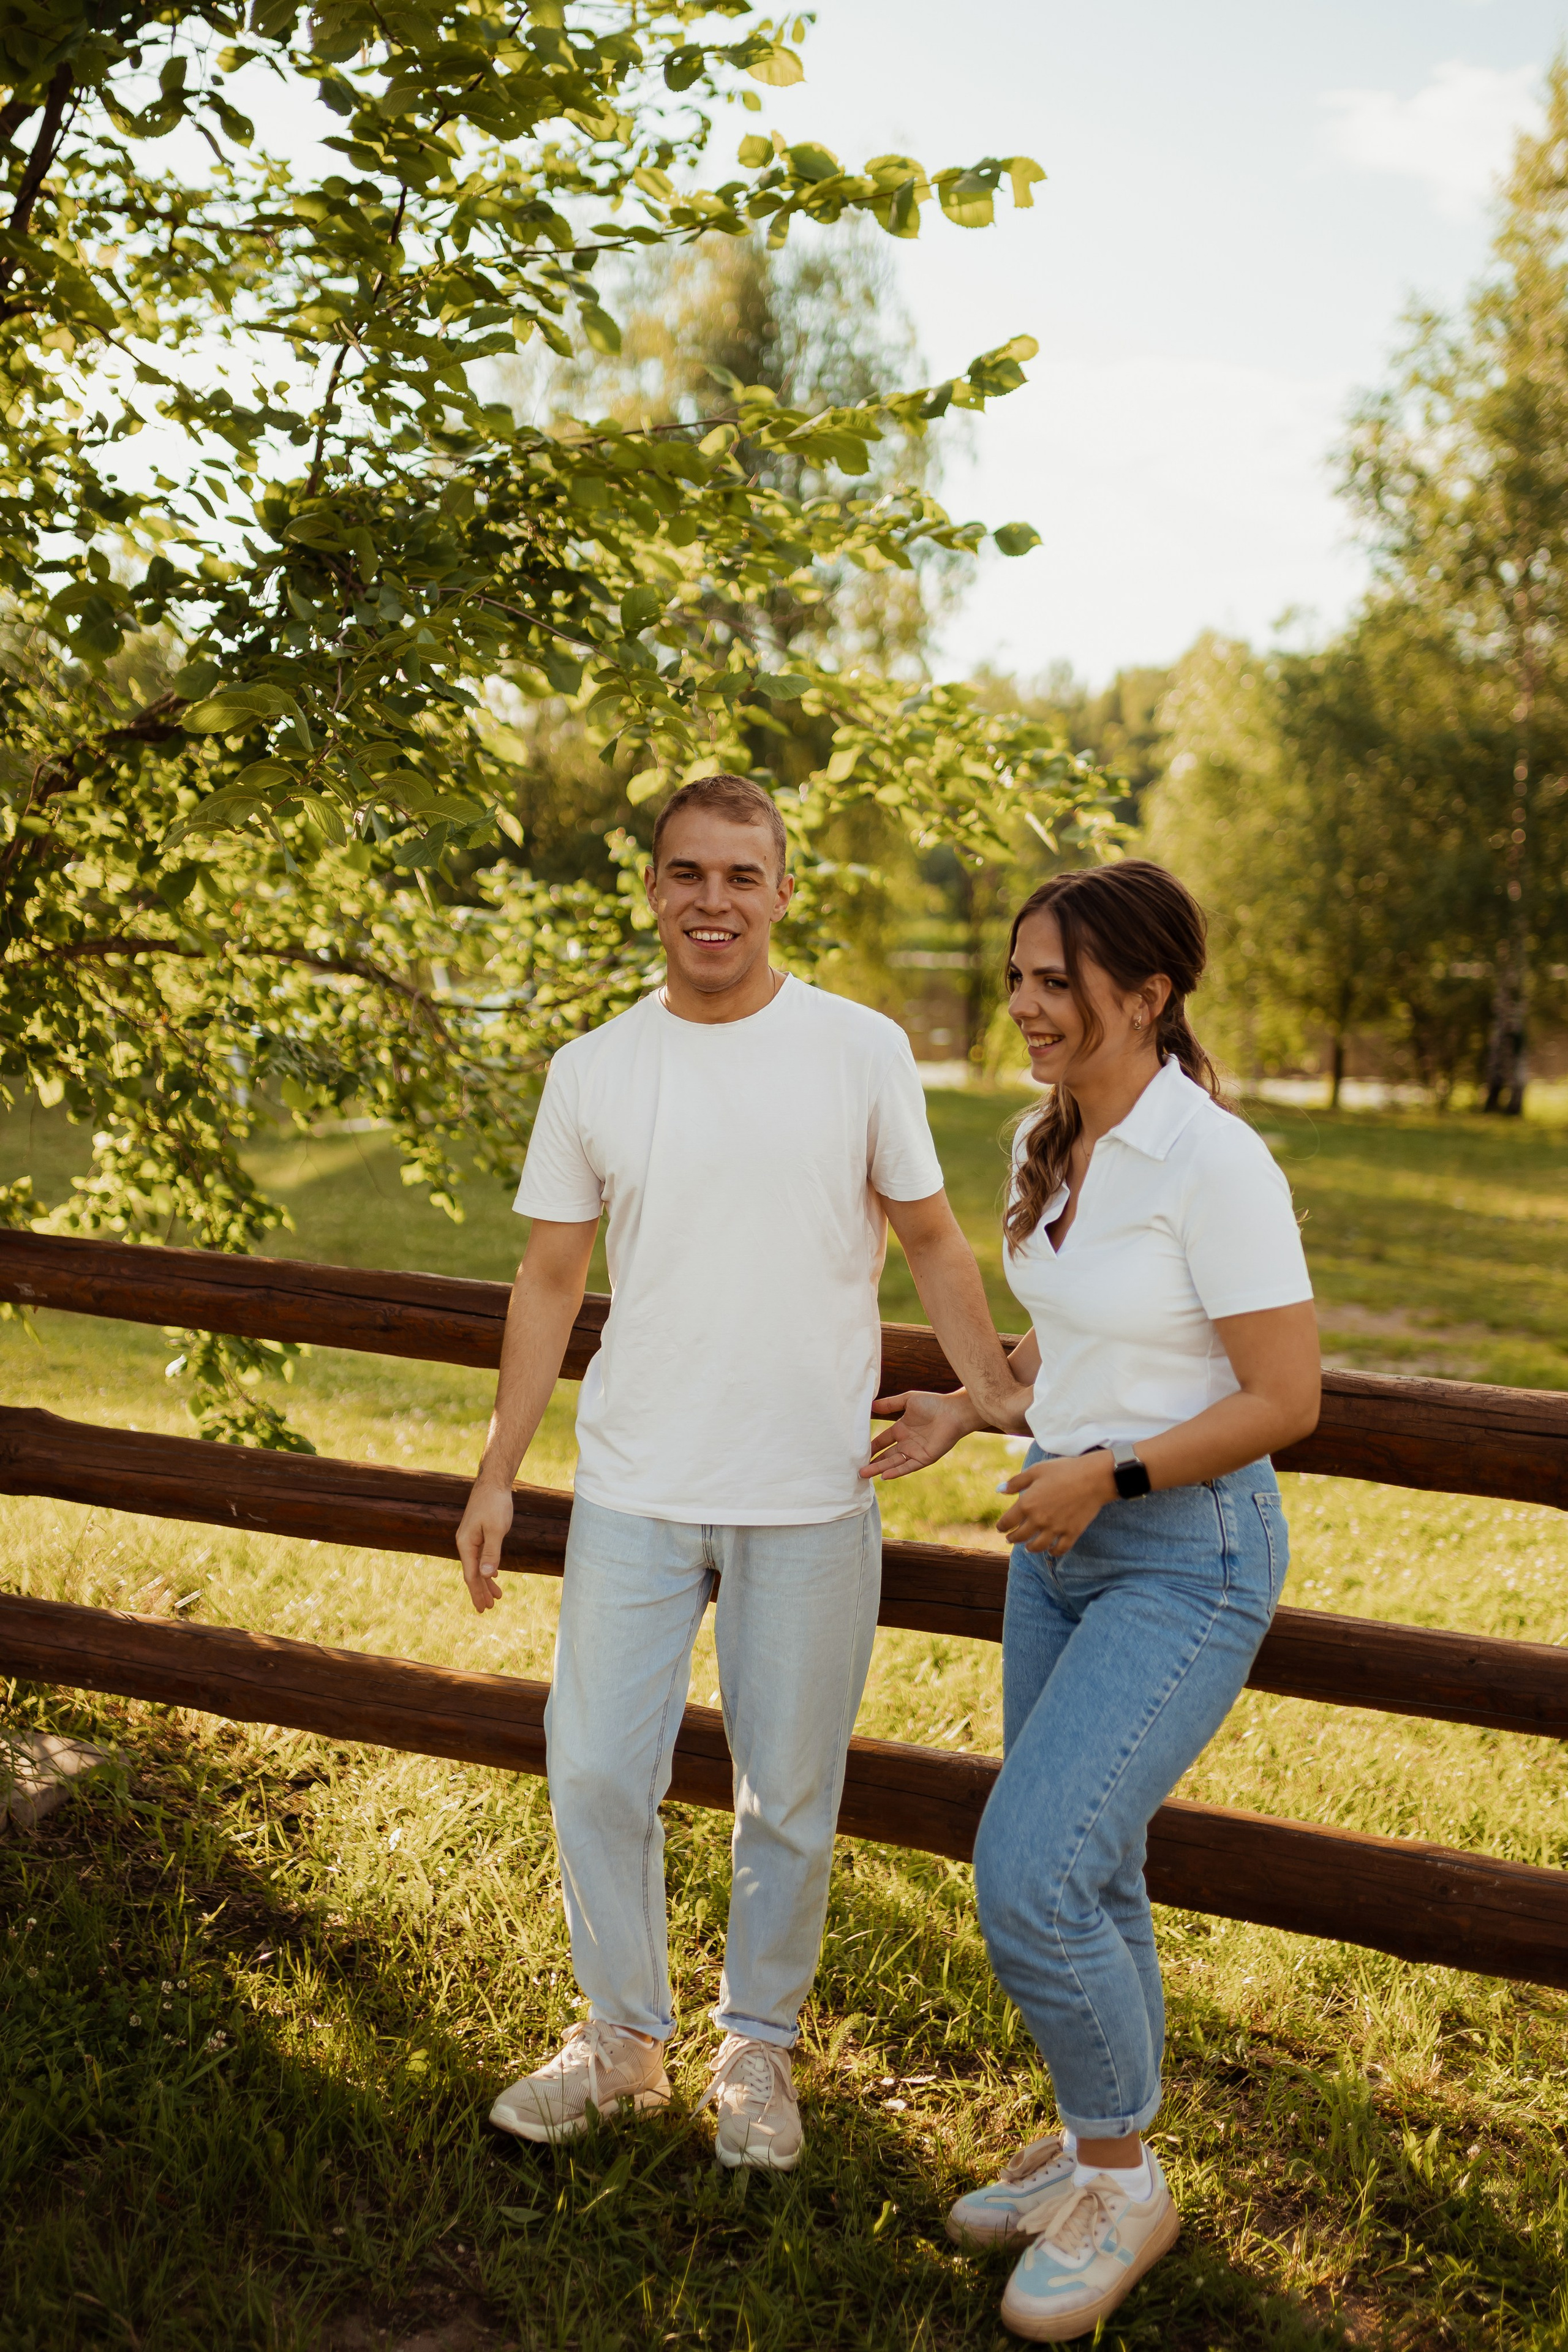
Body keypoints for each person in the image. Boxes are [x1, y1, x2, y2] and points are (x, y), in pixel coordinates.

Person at [456, 772, 1020, 2172]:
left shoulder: (858, 1050)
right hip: (638, 1481)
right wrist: (495, 1472)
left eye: (740, 877)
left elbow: (936, 1241)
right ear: (652, 889)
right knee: (591, 1768)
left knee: (789, 1793)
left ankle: (757, 2050)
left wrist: (995, 1394)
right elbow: (545, 1278)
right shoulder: (593, 1068)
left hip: (811, 1489)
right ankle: (624, 2044)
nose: (713, 900)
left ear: (781, 892)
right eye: (686, 874)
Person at [867, 861, 1319, 2341]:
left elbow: (1281, 1398)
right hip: (1067, 1548)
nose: (1023, 1007)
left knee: (1031, 1873)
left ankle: (1122, 2183)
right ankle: (1091, 2139)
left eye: (1054, 982)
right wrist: (965, 1404)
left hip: (1184, 1553)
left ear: (1147, 992)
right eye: (1015, 978)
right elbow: (1078, 1343)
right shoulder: (1043, 1139)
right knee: (1096, 1868)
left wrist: (1107, 1480)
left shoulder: (1215, 1163)